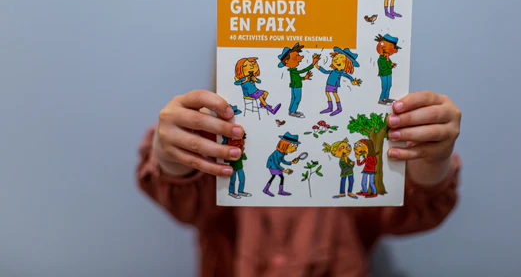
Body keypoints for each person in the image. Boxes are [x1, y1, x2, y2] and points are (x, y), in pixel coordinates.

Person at [137, 90, 462, 276]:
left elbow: (406, 213)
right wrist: (174, 159)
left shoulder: (352, 141)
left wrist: (430, 160)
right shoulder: (216, 140)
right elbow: (186, 206)